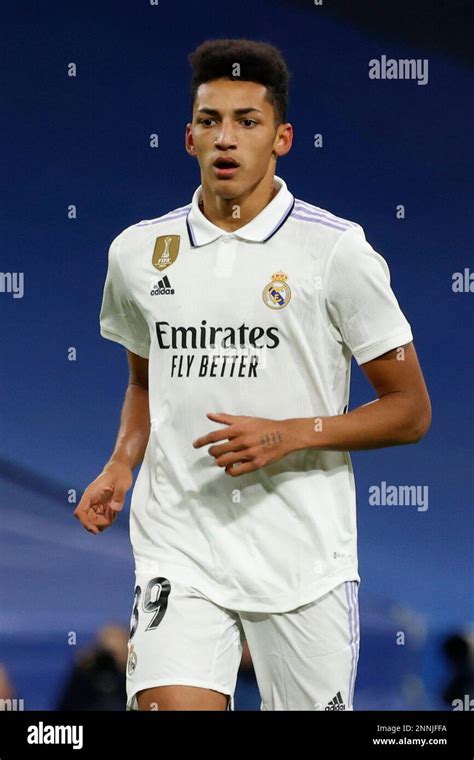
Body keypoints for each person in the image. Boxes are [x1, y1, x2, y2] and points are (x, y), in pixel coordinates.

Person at [74, 38, 432, 711]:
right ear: (188, 138)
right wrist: (123, 462)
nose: (226, 138)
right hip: (180, 546)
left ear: (283, 138)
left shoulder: (335, 253)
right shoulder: (137, 253)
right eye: (210, 120)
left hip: (303, 561)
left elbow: (410, 409)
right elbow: (148, 382)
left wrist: (290, 433)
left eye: (248, 120)